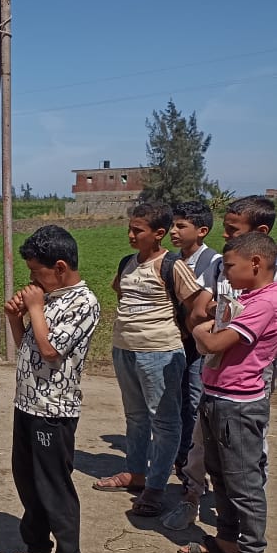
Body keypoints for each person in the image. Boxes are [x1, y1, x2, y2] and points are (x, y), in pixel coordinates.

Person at [0, 226, 100, 553]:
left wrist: (35, 308)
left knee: (54, 487)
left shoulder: (83, 302)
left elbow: (52, 352)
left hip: (54, 409)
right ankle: (37, 552)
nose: (33, 281)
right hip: (27, 404)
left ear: (61, 267)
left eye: (37, 273)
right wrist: (15, 319)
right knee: (28, 481)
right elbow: (29, 348)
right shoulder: (51, 298)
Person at [92, 202, 210, 517]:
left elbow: (196, 304)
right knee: (136, 416)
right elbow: (122, 295)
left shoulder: (173, 266)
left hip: (160, 352)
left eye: (138, 230)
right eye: (129, 229)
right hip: (124, 349)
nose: (131, 235)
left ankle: (155, 487)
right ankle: (135, 473)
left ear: (158, 233)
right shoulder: (127, 263)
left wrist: (192, 336)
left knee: (165, 421)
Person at [165, 196, 274, 530]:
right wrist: (212, 318)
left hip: (249, 379)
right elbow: (198, 312)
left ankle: (246, 531)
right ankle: (194, 498)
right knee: (203, 440)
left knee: (246, 454)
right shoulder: (220, 267)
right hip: (214, 370)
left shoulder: (266, 291)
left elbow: (207, 329)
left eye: (232, 230)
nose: (224, 236)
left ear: (260, 233)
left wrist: (210, 326)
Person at [183, 232, 277, 553]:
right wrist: (205, 331)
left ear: (256, 263)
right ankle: (227, 538)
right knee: (220, 473)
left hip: (239, 404)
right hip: (217, 395)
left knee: (243, 480)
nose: (225, 273)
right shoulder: (247, 298)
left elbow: (214, 341)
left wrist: (200, 333)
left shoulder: (266, 303)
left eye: (230, 266)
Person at [159, 201, 220, 528]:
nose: (173, 231)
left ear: (202, 231)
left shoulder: (214, 263)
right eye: (173, 225)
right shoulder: (171, 261)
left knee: (194, 403)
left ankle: (195, 470)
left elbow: (211, 306)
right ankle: (182, 461)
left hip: (197, 345)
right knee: (178, 401)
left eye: (181, 226)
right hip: (175, 343)